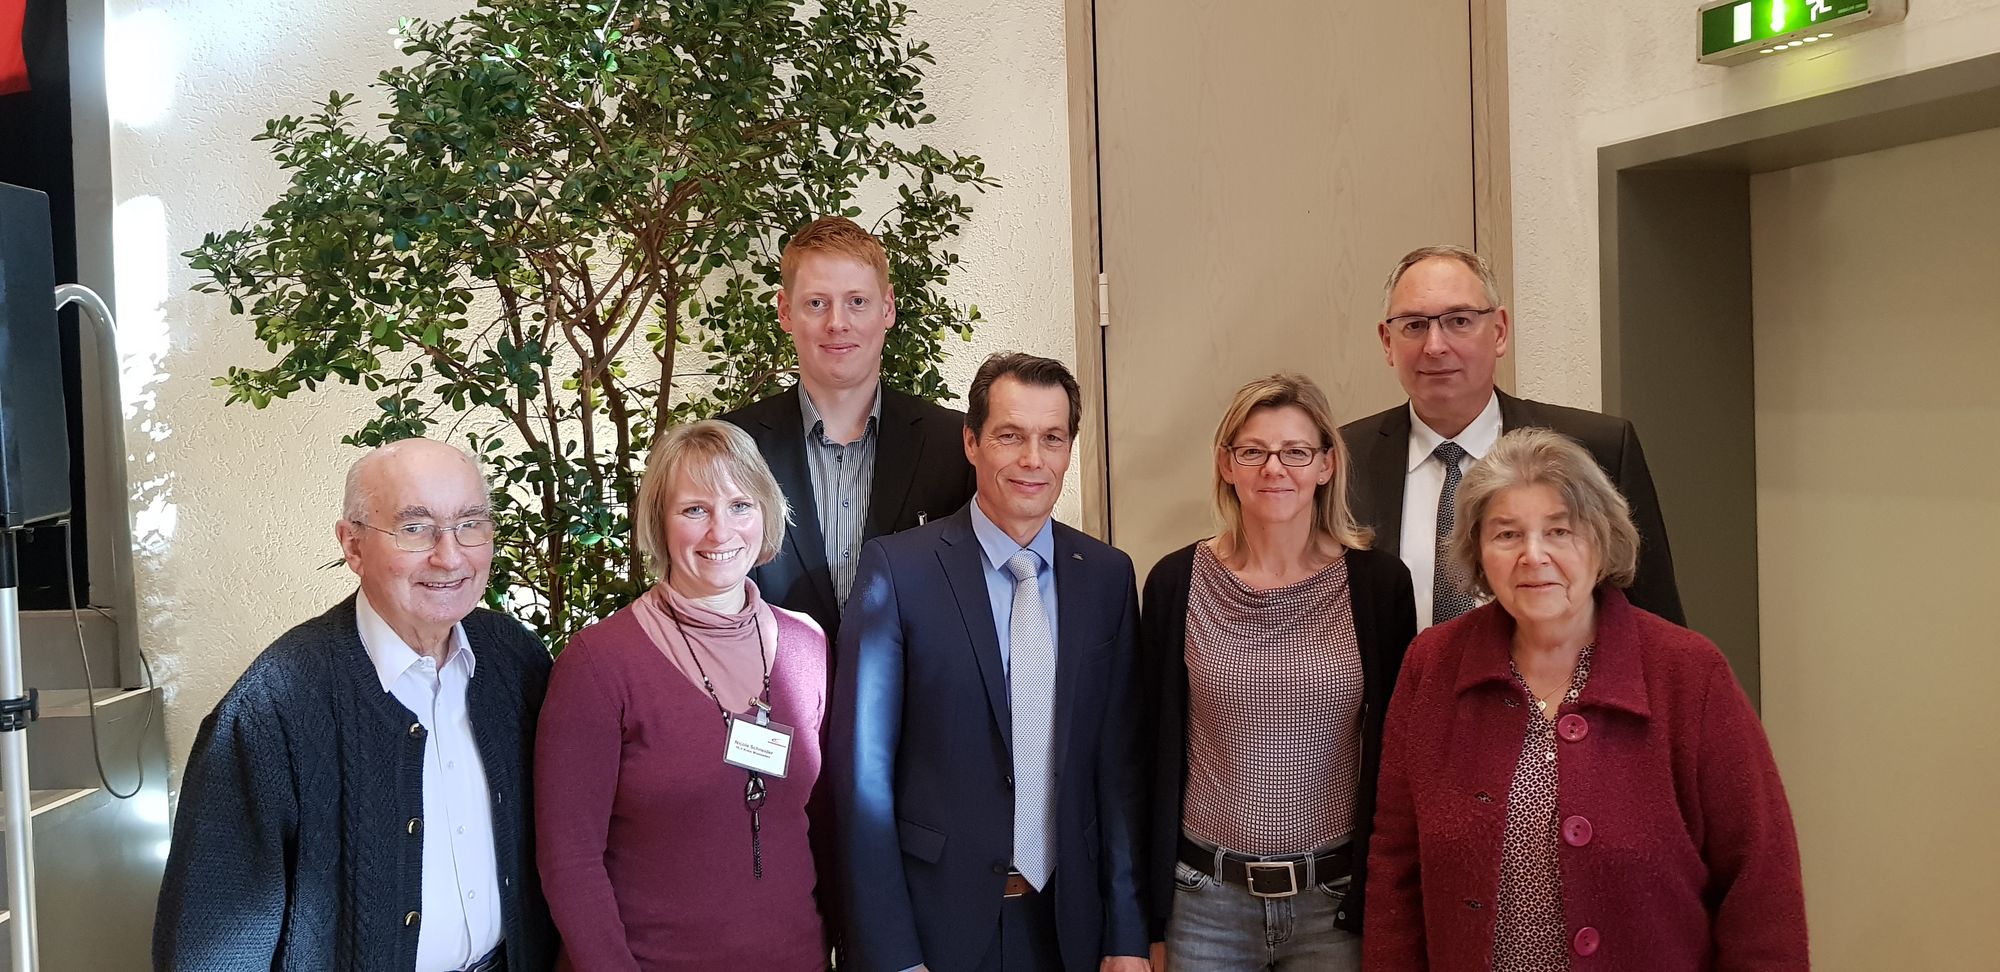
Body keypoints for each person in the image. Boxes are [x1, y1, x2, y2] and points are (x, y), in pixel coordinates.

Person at [1364, 428, 1807, 970]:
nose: (1533, 556)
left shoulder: (1688, 673)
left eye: (1560, 531)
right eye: (1507, 534)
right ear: (1478, 552)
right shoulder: (1433, 665)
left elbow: (1760, 882)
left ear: (1602, 541)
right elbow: (1397, 863)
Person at [154, 438, 555, 972]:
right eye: (416, 528)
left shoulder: (515, 660)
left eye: (470, 524)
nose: (450, 555)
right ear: (353, 546)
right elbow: (212, 944)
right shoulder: (273, 708)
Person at [831, 353, 1149, 972]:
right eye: (1010, 436)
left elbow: (1119, 770)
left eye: (1052, 438)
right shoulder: (898, 571)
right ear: (971, 442)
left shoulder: (1107, 576)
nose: (1033, 459)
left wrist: (1128, 935)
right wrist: (892, 955)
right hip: (938, 929)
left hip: (1072, 925)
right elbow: (862, 777)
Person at [1141, 375, 1416, 971]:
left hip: (1333, 902)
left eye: (1296, 451)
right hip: (1205, 903)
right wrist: (1148, 919)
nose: (1274, 469)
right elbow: (1149, 752)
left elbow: (1399, 756)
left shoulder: (1378, 586)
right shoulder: (1175, 582)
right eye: (1253, 451)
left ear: (1326, 464)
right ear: (1226, 464)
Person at [534, 420, 829, 970]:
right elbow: (569, 861)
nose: (721, 531)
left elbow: (826, 822)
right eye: (695, 509)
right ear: (659, 522)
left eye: (740, 505)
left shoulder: (806, 645)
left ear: (765, 513)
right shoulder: (599, 663)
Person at [1338, 244, 1683, 630]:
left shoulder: (1597, 448)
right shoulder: (1342, 459)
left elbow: (1655, 624)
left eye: (1459, 321)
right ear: (1387, 342)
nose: (1435, 346)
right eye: (1415, 325)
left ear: (1499, 331)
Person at [719, 215, 976, 646]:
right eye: (816, 303)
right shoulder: (732, 446)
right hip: (769, 684)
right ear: (785, 311)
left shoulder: (955, 446)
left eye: (857, 301)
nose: (837, 322)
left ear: (887, 308)